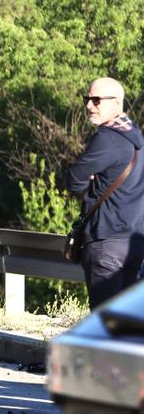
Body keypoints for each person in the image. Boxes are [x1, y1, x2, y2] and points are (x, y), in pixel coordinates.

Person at [67, 77, 144, 309]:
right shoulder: (137, 138)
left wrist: (90, 183)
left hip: (106, 243)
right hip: (135, 243)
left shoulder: (108, 138)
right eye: (87, 99)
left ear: (116, 102)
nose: (89, 105)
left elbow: (73, 180)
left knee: (106, 324)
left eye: (96, 100)